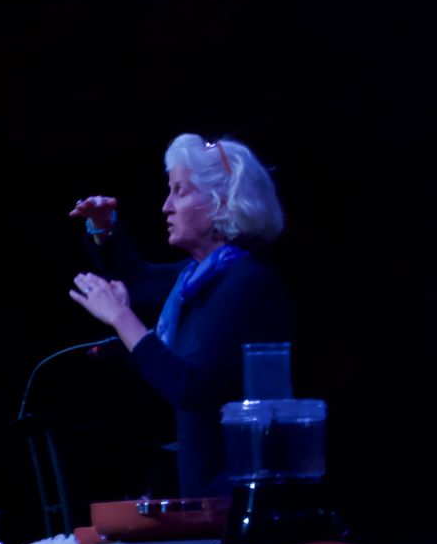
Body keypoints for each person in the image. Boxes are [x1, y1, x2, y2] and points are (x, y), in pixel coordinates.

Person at [67, 133, 291, 496]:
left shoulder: (246, 285)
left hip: (242, 500)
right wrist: (103, 228)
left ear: (222, 203)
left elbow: (190, 386)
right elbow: (141, 282)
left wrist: (122, 317)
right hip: (209, 499)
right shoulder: (195, 277)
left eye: (180, 192)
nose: (166, 207)